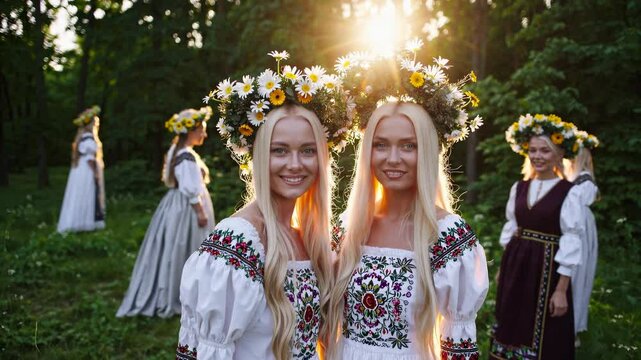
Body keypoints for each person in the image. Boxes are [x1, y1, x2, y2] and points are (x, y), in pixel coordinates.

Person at [177, 52, 353, 359]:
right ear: (258, 156)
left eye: (308, 150)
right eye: (280, 151)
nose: (295, 165)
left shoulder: (308, 236)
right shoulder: (239, 241)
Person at [327, 47, 489, 360]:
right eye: (381, 145)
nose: (393, 158)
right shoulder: (348, 227)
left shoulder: (447, 236)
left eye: (408, 146)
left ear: (427, 151)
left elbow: (458, 339)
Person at [490, 114, 584, 359]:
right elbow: (511, 228)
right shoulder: (519, 187)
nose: (537, 156)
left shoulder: (569, 193)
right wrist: (503, 268)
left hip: (546, 270)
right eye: (532, 150)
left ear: (558, 154)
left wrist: (561, 289)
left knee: (543, 329)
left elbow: (572, 240)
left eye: (545, 150)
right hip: (516, 264)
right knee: (510, 319)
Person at [117, 107, 215, 318]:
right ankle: (185, 295)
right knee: (187, 248)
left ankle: (186, 291)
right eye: (202, 130)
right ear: (190, 131)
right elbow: (189, 188)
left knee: (175, 248)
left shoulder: (177, 151)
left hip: (176, 205)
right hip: (186, 209)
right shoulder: (186, 156)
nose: (204, 135)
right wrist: (200, 211)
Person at [565, 131, 599, 340]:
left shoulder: (585, 182)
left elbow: (575, 214)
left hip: (579, 232)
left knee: (576, 276)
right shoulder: (572, 179)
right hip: (571, 228)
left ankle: (572, 328)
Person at [57, 106, 106, 233]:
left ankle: (77, 221)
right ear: (90, 124)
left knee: (78, 194)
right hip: (87, 171)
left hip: (79, 170)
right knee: (86, 193)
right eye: (94, 123)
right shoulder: (89, 138)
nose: (96, 126)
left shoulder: (81, 138)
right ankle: (83, 222)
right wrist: (95, 173)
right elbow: (90, 158)